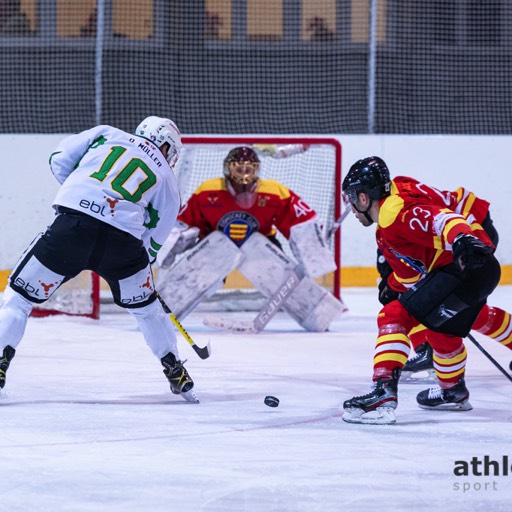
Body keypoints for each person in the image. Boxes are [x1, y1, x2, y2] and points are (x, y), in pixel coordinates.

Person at [0, 116, 199, 403]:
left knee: (18, 298)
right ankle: (174, 369)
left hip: (72, 228)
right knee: (146, 309)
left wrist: (84, 192)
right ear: (166, 145)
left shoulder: (106, 134)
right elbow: (155, 239)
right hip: (124, 246)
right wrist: (138, 267)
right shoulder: (167, 179)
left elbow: (58, 159)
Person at [341, 156, 507, 425]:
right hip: (472, 259)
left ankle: (383, 392)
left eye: (351, 199)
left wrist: (463, 238)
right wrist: (393, 285)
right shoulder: (396, 190)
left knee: (394, 315)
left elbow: (441, 219)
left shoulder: (395, 214)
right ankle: (452, 391)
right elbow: (413, 272)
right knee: (439, 326)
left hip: (469, 257)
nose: (351, 208)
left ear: (363, 198)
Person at [155, 146, 345, 331]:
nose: (244, 174)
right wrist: (172, 244)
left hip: (262, 249)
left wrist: (311, 251)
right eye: (239, 168)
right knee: (215, 250)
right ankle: (157, 315)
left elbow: (302, 219)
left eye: (249, 169)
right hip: (216, 249)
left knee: (262, 254)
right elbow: (184, 223)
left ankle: (318, 313)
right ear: (227, 169)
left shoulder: (273, 192)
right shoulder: (208, 191)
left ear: (257, 169)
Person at [375, 181, 511, 382]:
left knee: (448, 307)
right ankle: (436, 361)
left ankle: (441, 371)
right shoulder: (399, 190)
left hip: (468, 231)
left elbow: (412, 275)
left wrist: (393, 285)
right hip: (467, 223)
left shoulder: (396, 214)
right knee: (456, 308)